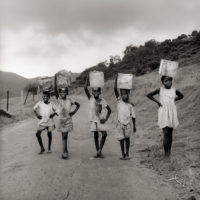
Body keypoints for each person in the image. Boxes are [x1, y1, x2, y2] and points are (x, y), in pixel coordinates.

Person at [146, 75, 184, 157]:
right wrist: (158, 102)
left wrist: (173, 100)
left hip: (172, 112)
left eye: (170, 80)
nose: (168, 82)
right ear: (162, 83)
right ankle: (166, 154)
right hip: (163, 112)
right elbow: (149, 95)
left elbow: (181, 96)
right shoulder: (160, 90)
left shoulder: (174, 90)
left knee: (170, 133)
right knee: (166, 132)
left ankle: (168, 153)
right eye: (166, 81)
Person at [84, 75, 111, 158]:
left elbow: (110, 110)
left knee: (104, 134)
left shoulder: (103, 101)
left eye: (97, 91)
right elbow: (85, 88)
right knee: (96, 136)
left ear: (100, 92)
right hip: (93, 120)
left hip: (101, 120)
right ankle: (98, 152)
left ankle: (99, 150)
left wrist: (105, 119)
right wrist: (88, 77)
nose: (95, 93)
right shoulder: (91, 99)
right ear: (92, 93)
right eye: (94, 92)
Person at [114, 75, 136, 160]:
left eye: (125, 94)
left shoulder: (130, 104)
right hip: (120, 123)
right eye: (122, 94)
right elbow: (115, 89)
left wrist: (135, 126)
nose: (123, 96)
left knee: (127, 139)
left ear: (128, 94)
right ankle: (123, 154)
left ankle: (127, 154)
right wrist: (116, 80)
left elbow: (133, 116)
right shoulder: (119, 101)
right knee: (121, 139)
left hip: (128, 124)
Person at [56, 87, 80, 159]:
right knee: (64, 136)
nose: (63, 93)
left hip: (68, 120)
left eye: (64, 92)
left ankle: (63, 153)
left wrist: (74, 111)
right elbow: (55, 90)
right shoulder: (59, 100)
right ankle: (66, 150)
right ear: (59, 93)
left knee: (64, 135)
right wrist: (55, 79)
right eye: (61, 92)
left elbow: (78, 105)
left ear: (67, 93)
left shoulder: (70, 100)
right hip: (61, 120)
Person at [33, 90, 57, 154]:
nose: (45, 97)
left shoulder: (52, 104)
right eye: (44, 96)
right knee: (37, 134)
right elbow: (34, 109)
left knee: (49, 133)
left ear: (49, 97)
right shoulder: (40, 103)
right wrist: (37, 115)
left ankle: (49, 148)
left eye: (46, 96)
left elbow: (57, 110)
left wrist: (53, 114)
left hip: (49, 122)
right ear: (42, 97)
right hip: (42, 122)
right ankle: (42, 148)